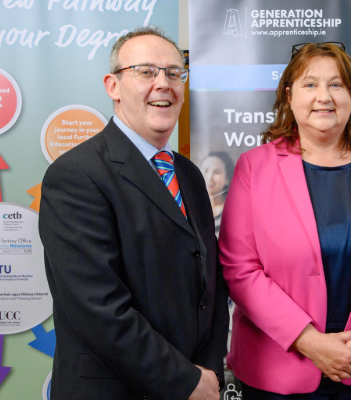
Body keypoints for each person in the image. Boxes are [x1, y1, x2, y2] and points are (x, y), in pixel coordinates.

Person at [218, 42, 351, 399]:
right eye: (310, 84)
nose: (324, 96)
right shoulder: (254, 167)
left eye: (337, 85)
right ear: (289, 96)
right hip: (275, 369)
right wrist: (311, 343)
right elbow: (239, 268)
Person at [39, 27, 228, 400]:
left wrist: (208, 371)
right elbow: (98, 309)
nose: (164, 84)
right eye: (146, 72)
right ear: (113, 86)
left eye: (175, 73)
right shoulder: (76, 175)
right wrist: (184, 380)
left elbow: (211, 283)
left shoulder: (188, 174)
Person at [200, 151, 235, 237]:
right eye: (206, 171)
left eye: (217, 172)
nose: (209, 178)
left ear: (227, 178)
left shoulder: (234, 213)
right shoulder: (189, 208)